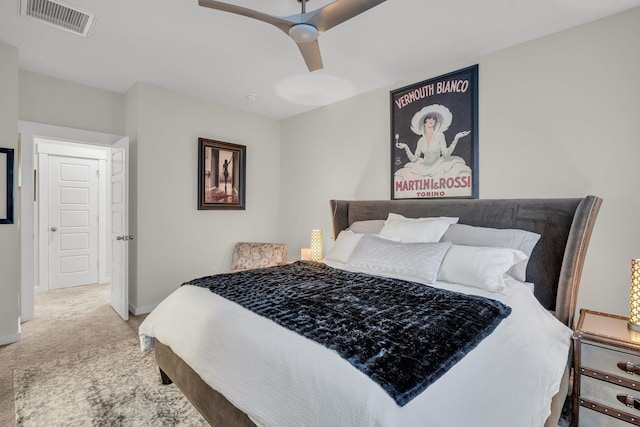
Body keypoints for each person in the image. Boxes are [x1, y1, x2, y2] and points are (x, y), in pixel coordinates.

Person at [396, 104, 470, 170]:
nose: (432, 120)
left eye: (434, 119)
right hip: (423, 167)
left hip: (438, 166)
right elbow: (414, 159)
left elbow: (446, 155)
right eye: (429, 118)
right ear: (424, 122)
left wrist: (456, 138)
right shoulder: (421, 140)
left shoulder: (440, 135)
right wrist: (406, 147)